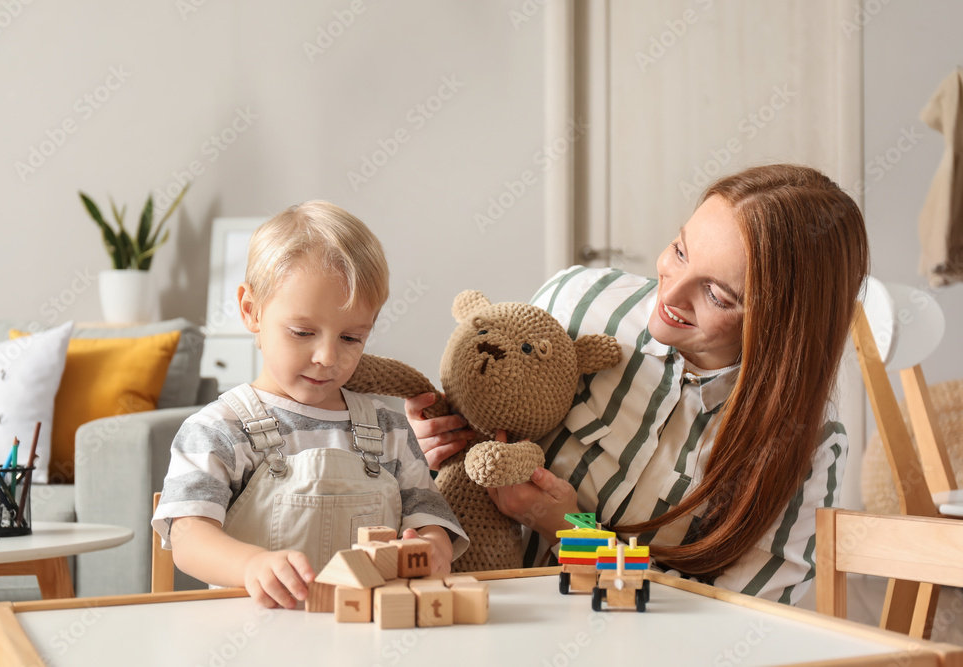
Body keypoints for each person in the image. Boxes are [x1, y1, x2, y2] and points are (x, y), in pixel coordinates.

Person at [407, 164, 868, 604]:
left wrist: (568, 531)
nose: (668, 294)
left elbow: (731, 627)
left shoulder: (805, 451)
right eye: (681, 251)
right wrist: (427, 448)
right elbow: (460, 448)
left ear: (782, 325)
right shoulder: (576, 302)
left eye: (715, 294)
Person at [153, 201, 468, 609]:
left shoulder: (387, 428)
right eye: (303, 332)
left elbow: (428, 518)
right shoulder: (219, 429)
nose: (327, 357)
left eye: (351, 338)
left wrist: (430, 545)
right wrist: (251, 565)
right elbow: (189, 539)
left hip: (367, 637)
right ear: (251, 311)